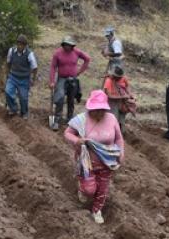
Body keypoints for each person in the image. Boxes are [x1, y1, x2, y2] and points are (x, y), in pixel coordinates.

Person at [64, 90, 125, 224]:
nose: (98, 113)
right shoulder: (81, 119)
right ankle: (82, 188)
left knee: (103, 188)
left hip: (107, 162)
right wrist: (77, 141)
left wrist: (121, 153)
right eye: (95, 109)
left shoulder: (112, 119)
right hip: (87, 163)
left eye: (101, 110)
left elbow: (119, 139)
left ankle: (97, 210)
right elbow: (67, 133)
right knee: (90, 190)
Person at [49, 36, 91, 131]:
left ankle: (70, 119)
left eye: (69, 45)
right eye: (66, 45)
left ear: (72, 45)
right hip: (62, 79)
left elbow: (87, 59)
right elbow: (53, 67)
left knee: (71, 100)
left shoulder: (76, 52)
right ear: (63, 44)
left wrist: (80, 71)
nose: (67, 47)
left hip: (73, 79)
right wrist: (51, 81)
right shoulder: (58, 53)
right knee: (59, 99)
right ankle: (57, 120)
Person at [4, 35, 38, 118]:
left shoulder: (29, 54)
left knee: (23, 98)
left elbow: (35, 67)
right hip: (13, 76)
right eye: (18, 44)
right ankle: (13, 108)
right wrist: (7, 74)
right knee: (8, 91)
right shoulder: (11, 51)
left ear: (25, 45)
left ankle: (24, 112)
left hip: (24, 79)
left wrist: (33, 79)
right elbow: (8, 63)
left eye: (21, 45)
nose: (19, 46)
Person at [102, 66, 136, 132]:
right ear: (114, 76)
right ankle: (111, 133)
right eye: (118, 77)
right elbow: (109, 96)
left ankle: (120, 133)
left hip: (121, 102)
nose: (120, 78)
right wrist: (123, 97)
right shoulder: (108, 81)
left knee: (121, 118)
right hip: (112, 103)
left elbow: (126, 87)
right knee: (113, 118)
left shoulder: (123, 78)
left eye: (120, 77)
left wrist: (130, 95)